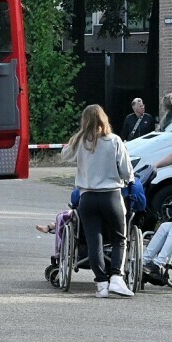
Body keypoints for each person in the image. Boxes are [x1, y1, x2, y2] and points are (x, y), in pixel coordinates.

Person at [61, 104, 134, 298]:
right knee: (119, 239)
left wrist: (77, 137)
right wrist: (127, 179)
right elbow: (126, 170)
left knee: (94, 241)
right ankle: (116, 278)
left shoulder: (80, 142)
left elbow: (65, 155)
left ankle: (101, 284)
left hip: (87, 197)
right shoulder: (114, 141)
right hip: (111, 195)